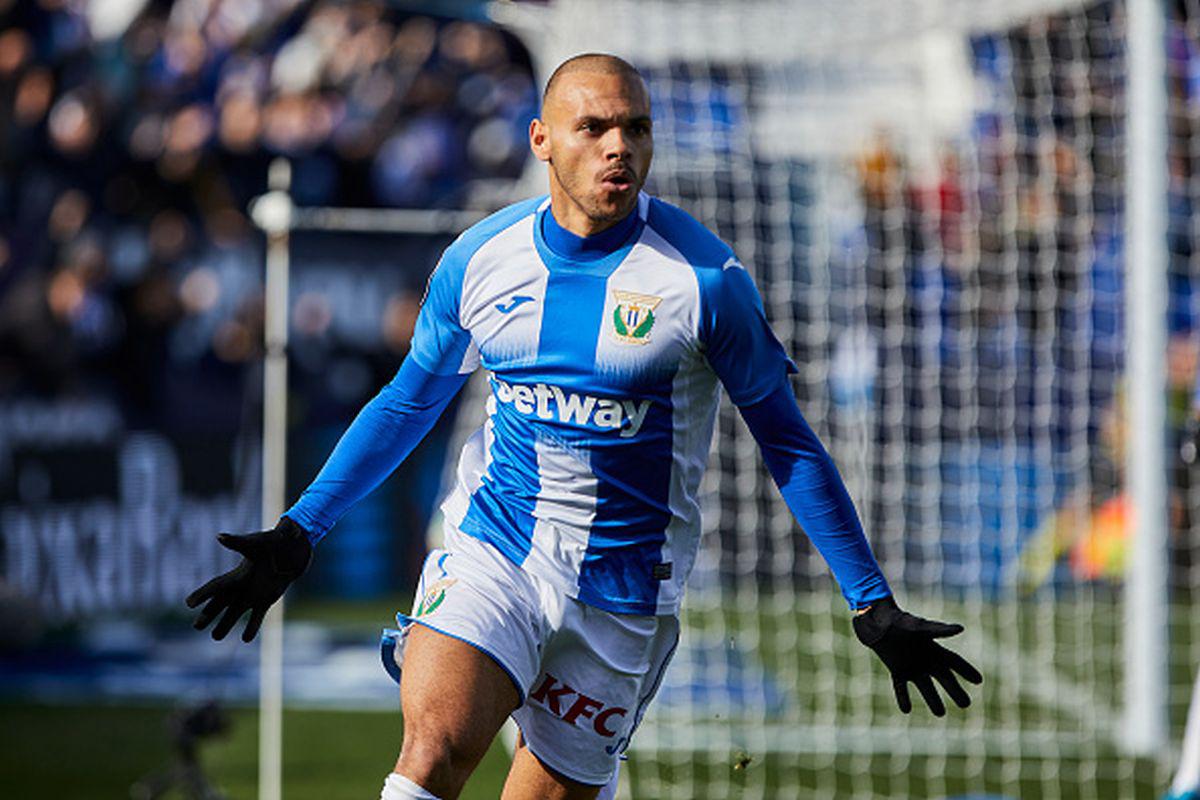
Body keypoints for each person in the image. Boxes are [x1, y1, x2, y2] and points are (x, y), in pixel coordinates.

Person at [185, 53, 983, 800]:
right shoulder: (480, 259)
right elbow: (406, 404)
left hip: (624, 593)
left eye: (635, 128)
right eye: (593, 127)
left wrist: (869, 601)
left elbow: (788, 443)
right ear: (542, 139)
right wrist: (300, 531)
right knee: (430, 757)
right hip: (494, 550)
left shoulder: (706, 282)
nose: (618, 148)